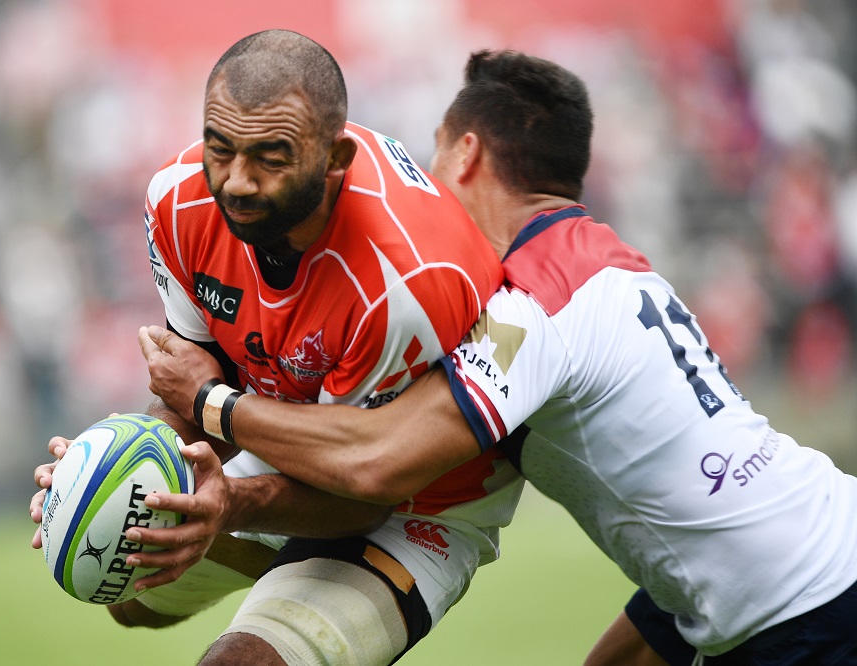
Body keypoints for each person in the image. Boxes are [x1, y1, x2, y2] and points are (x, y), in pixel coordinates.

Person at [137, 49, 857, 665]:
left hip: (810, 604)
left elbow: (380, 461)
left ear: (468, 154)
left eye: (436, 154)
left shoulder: (530, 306)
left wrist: (212, 403)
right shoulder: (614, 263)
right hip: (775, 564)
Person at [30, 29, 526, 666]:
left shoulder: (401, 283)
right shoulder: (177, 202)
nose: (236, 182)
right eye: (221, 149)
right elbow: (195, 397)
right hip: (284, 427)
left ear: (336, 159)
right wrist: (108, 474)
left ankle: (310, 585)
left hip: (416, 493)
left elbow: (362, 486)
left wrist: (228, 501)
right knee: (126, 595)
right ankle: (274, 564)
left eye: (270, 157)